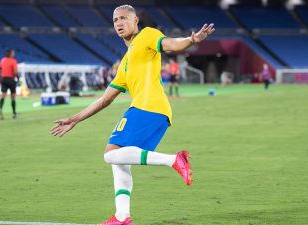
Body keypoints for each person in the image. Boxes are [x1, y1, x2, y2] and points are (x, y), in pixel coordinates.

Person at [50, 5, 214, 225]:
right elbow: (105, 99)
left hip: (149, 107)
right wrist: (75, 119)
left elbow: (171, 44)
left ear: (135, 20)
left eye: (124, 18)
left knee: (110, 154)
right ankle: (122, 217)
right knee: (119, 161)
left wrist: (192, 40)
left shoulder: (147, 35)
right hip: (154, 112)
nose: (119, 23)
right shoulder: (125, 62)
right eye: (115, 19)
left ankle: (174, 159)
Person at [0, 49, 18, 120]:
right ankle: (14, 113)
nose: (14, 54)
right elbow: (15, 72)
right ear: (10, 54)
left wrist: (2, 74)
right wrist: (17, 79)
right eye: (13, 52)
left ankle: (0, 109)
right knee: (13, 97)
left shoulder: (3, 60)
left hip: (4, 79)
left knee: (3, 95)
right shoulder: (13, 61)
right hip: (11, 79)